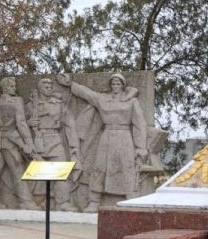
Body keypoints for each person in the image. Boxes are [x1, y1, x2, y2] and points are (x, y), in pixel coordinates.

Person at [58, 73, 147, 212]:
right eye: (113, 84)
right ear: (110, 85)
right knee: (100, 167)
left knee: (127, 167)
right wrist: (71, 84)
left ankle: (132, 198)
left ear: (123, 85)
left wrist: (141, 147)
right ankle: (94, 201)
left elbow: (139, 124)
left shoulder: (132, 101)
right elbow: (87, 94)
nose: (115, 86)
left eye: (118, 84)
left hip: (124, 136)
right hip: (106, 136)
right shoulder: (103, 99)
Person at [0, 75, 39, 209]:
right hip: (11, 140)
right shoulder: (17, 101)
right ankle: (26, 202)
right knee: (17, 171)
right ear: (5, 88)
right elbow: (21, 124)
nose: (15, 88)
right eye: (12, 86)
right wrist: (29, 143)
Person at [26, 77, 79, 211]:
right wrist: (28, 123)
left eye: (50, 86)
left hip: (55, 139)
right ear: (39, 89)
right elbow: (20, 123)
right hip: (38, 141)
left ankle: (63, 203)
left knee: (61, 171)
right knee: (37, 174)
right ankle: (38, 201)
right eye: (46, 86)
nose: (49, 88)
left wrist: (74, 145)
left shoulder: (59, 104)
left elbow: (69, 123)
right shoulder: (31, 105)